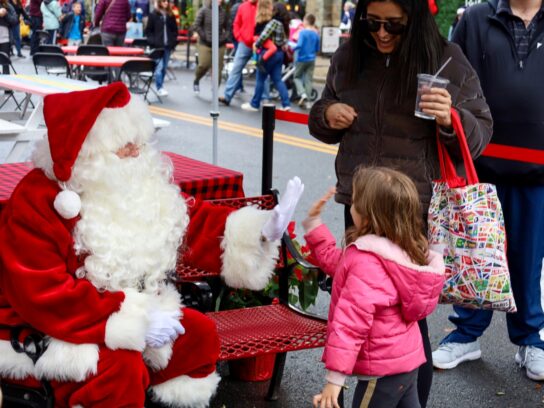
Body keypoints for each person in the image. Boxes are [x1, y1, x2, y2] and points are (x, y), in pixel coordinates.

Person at [0, 82, 305, 407]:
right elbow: (42, 295)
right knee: (119, 368)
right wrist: (134, 320)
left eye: (140, 142)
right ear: (85, 150)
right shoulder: (37, 201)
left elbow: (194, 220)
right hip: (41, 329)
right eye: (125, 144)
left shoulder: (136, 183)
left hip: (122, 315)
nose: (136, 152)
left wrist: (259, 230)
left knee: (197, 335)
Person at [308, 0, 493, 406]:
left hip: (413, 211)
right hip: (359, 204)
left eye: (395, 26)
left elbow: (480, 134)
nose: (382, 34)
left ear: (418, 23)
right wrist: (327, 114)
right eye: (372, 24)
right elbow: (320, 115)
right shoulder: (349, 55)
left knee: (405, 318)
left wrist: (451, 119)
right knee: (359, 304)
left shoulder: (446, 59)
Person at [432, 0, 544, 382]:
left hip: (538, 169)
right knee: (474, 252)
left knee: (528, 260)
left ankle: (531, 339)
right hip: (481, 166)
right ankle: (466, 333)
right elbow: (450, 76)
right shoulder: (477, 18)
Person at [306, 167, 445, 408]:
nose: (350, 206)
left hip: (380, 374)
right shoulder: (403, 250)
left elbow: (350, 324)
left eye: (355, 201)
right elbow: (337, 262)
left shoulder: (365, 260)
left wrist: (334, 379)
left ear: (367, 216)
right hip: (408, 364)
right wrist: (314, 224)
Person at [241, 0, 290, 112]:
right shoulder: (283, 25)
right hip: (279, 54)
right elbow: (284, 42)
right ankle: (286, 104)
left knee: (260, 79)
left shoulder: (273, 22)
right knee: (278, 79)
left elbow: (263, 36)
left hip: (268, 54)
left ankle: (254, 104)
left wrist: (256, 45)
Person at [218, 0, 256, 106]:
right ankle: (227, 96)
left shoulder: (262, 5)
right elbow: (236, 23)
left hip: (258, 43)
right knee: (236, 68)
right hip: (244, 42)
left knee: (263, 72)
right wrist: (239, 37)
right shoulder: (243, 7)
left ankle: (262, 98)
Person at [191, 0, 228, 94]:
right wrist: (204, 36)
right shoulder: (204, 10)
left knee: (218, 68)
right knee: (203, 65)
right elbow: (196, 25)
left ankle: (215, 91)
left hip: (219, 44)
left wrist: (223, 38)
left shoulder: (223, 12)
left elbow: (228, 28)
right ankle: (197, 80)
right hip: (205, 44)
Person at [145, 0, 178, 97]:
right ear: (159, 2)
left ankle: (161, 86)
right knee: (159, 67)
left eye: (167, 1)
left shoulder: (170, 15)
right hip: (157, 46)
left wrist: (172, 41)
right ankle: (159, 87)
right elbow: (148, 31)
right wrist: (152, 42)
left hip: (167, 46)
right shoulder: (153, 15)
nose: (166, 3)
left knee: (163, 68)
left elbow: (175, 30)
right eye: (164, 1)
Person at [291, 13, 319, 108]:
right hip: (312, 59)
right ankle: (308, 101)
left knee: (297, 77)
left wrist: (291, 46)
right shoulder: (316, 33)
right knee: (308, 79)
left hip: (302, 58)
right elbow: (317, 48)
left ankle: (302, 94)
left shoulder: (302, 32)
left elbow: (299, 45)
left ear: (306, 21)